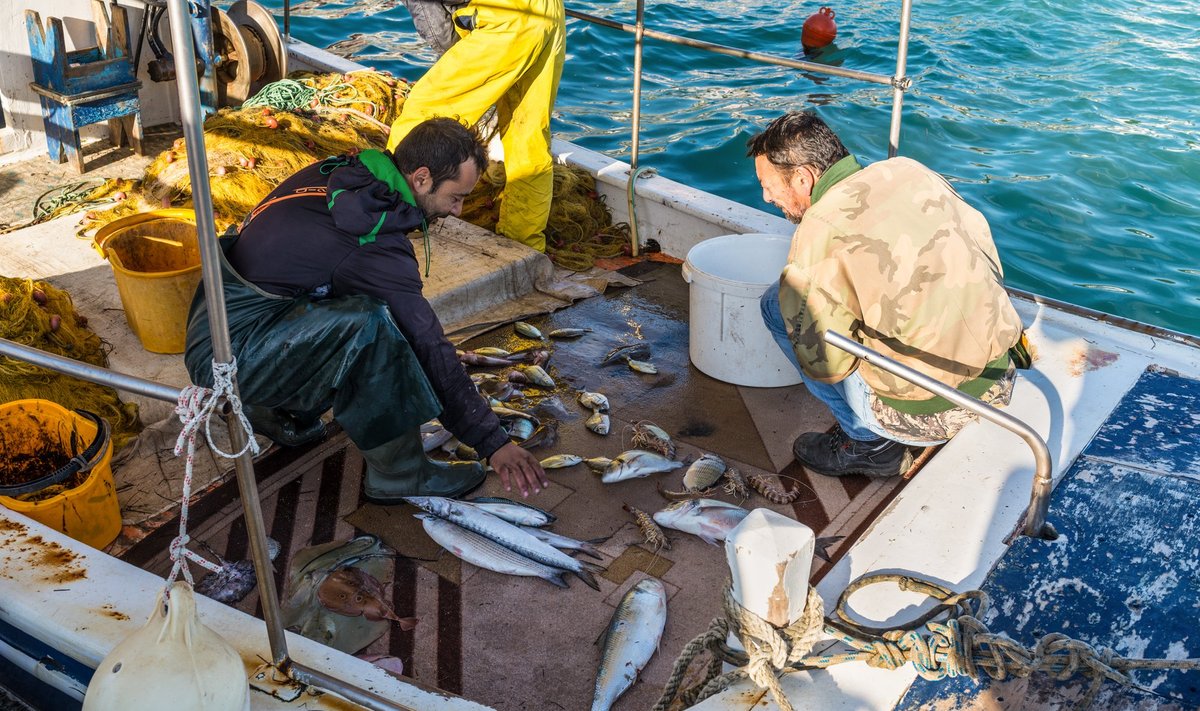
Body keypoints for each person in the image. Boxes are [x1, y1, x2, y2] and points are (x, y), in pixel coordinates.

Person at [184, 117, 548, 501]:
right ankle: (401, 473)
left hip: (218, 326)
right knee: (376, 326)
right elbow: (428, 345)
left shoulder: (350, 174)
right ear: (422, 178)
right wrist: (493, 442)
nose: (457, 211)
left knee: (343, 308)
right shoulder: (372, 243)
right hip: (228, 357)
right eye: (455, 198)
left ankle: (280, 413)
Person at [751, 111, 1026, 479]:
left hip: (931, 413)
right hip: (999, 375)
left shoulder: (818, 230)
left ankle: (870, 443)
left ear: (803, 177)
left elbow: (826, 366)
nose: (767, 197)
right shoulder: (910, 170)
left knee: (776, 305)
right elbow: (989, 259)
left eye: (769, 186)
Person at [387, 0, 566, 253]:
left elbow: (436, 26)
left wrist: (464, 62)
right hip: (547, 13)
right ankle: (523, 246)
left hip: (506, 21)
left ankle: (392, 217)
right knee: (527, 139)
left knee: (422, 116)